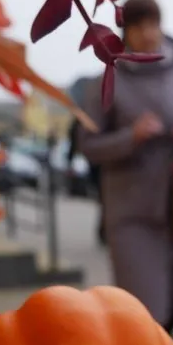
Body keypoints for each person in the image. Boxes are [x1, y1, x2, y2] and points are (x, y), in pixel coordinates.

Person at [79, 0, 173, 345]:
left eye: (152, 24)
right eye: (138, 26)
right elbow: (87, 145)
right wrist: (131, 137)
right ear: (126, 32)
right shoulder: (108, 80)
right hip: (132, 208)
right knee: (142, 300)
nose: (147, 34)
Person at [67, 101, 105, 245]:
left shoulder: (86, 117)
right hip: (98, 164)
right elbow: (76, 140)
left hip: (99, 164)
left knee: (104, 200)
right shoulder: (86, 119)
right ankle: (104, 232)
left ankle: (105, 232)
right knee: (104, 199)